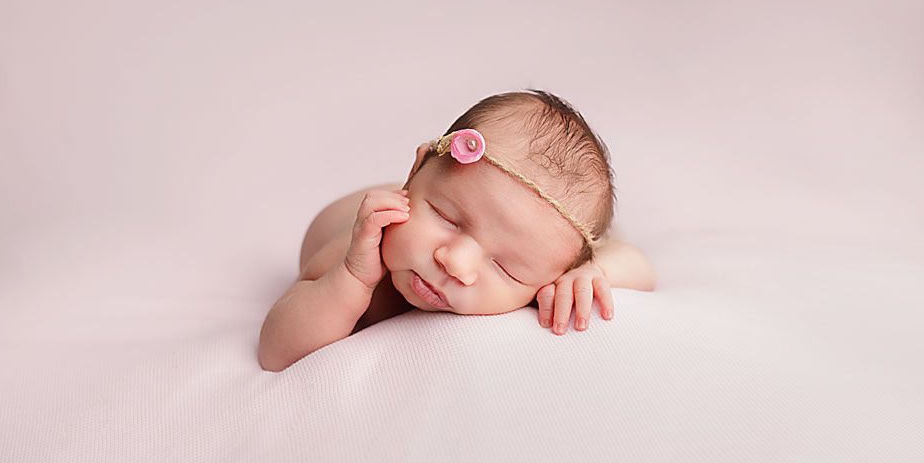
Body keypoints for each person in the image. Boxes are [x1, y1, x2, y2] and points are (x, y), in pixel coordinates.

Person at [259, 90, 656, 371]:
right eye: (446, 218)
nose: (456, 264)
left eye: (506, 267)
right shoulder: (364, 246)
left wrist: (593, 272)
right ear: (415, 169)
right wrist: (351, 279)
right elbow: (277, 351)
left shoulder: (548, 259)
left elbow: (640, 268)